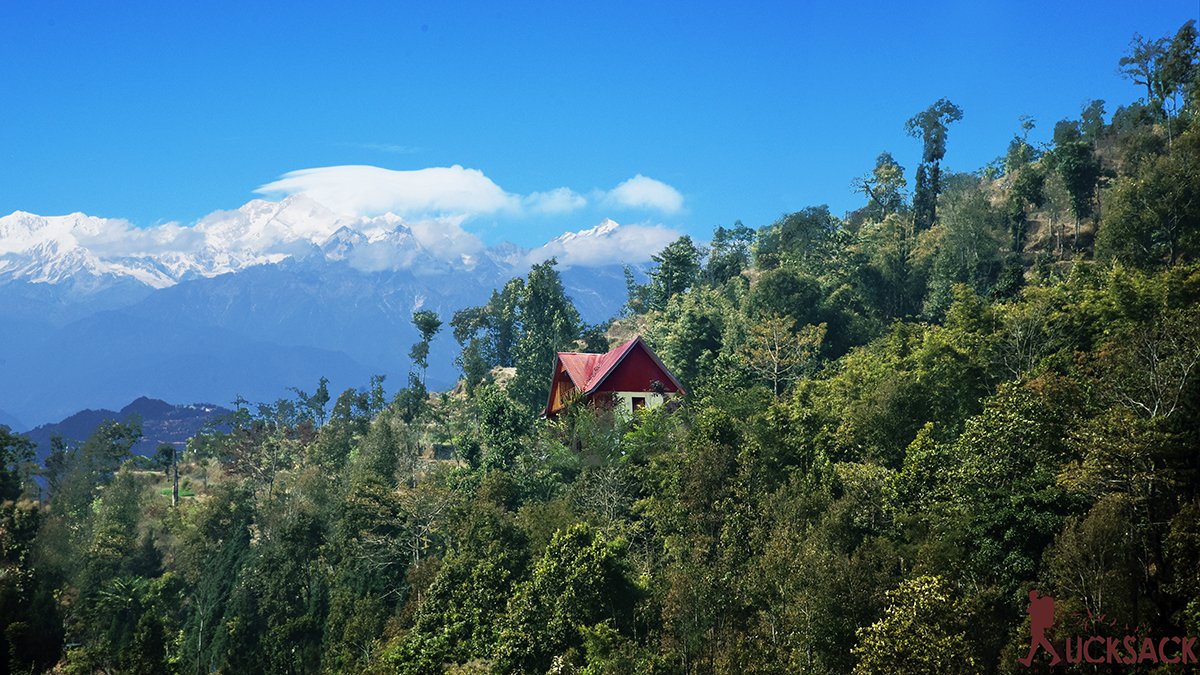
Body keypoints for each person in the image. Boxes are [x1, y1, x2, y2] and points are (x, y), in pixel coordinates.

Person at [1019, 590, 1061, 666]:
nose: (1029, 597)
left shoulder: (1036, 603)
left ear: (1034, 596)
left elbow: (1030, 611)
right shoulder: (1035, 603)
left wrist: (1030, 610)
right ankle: (1028, 660)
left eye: (1031, 596)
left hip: (1037, 627)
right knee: (1036, 644)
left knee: (1042, 643)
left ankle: (1055, 656)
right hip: (1036, 627)